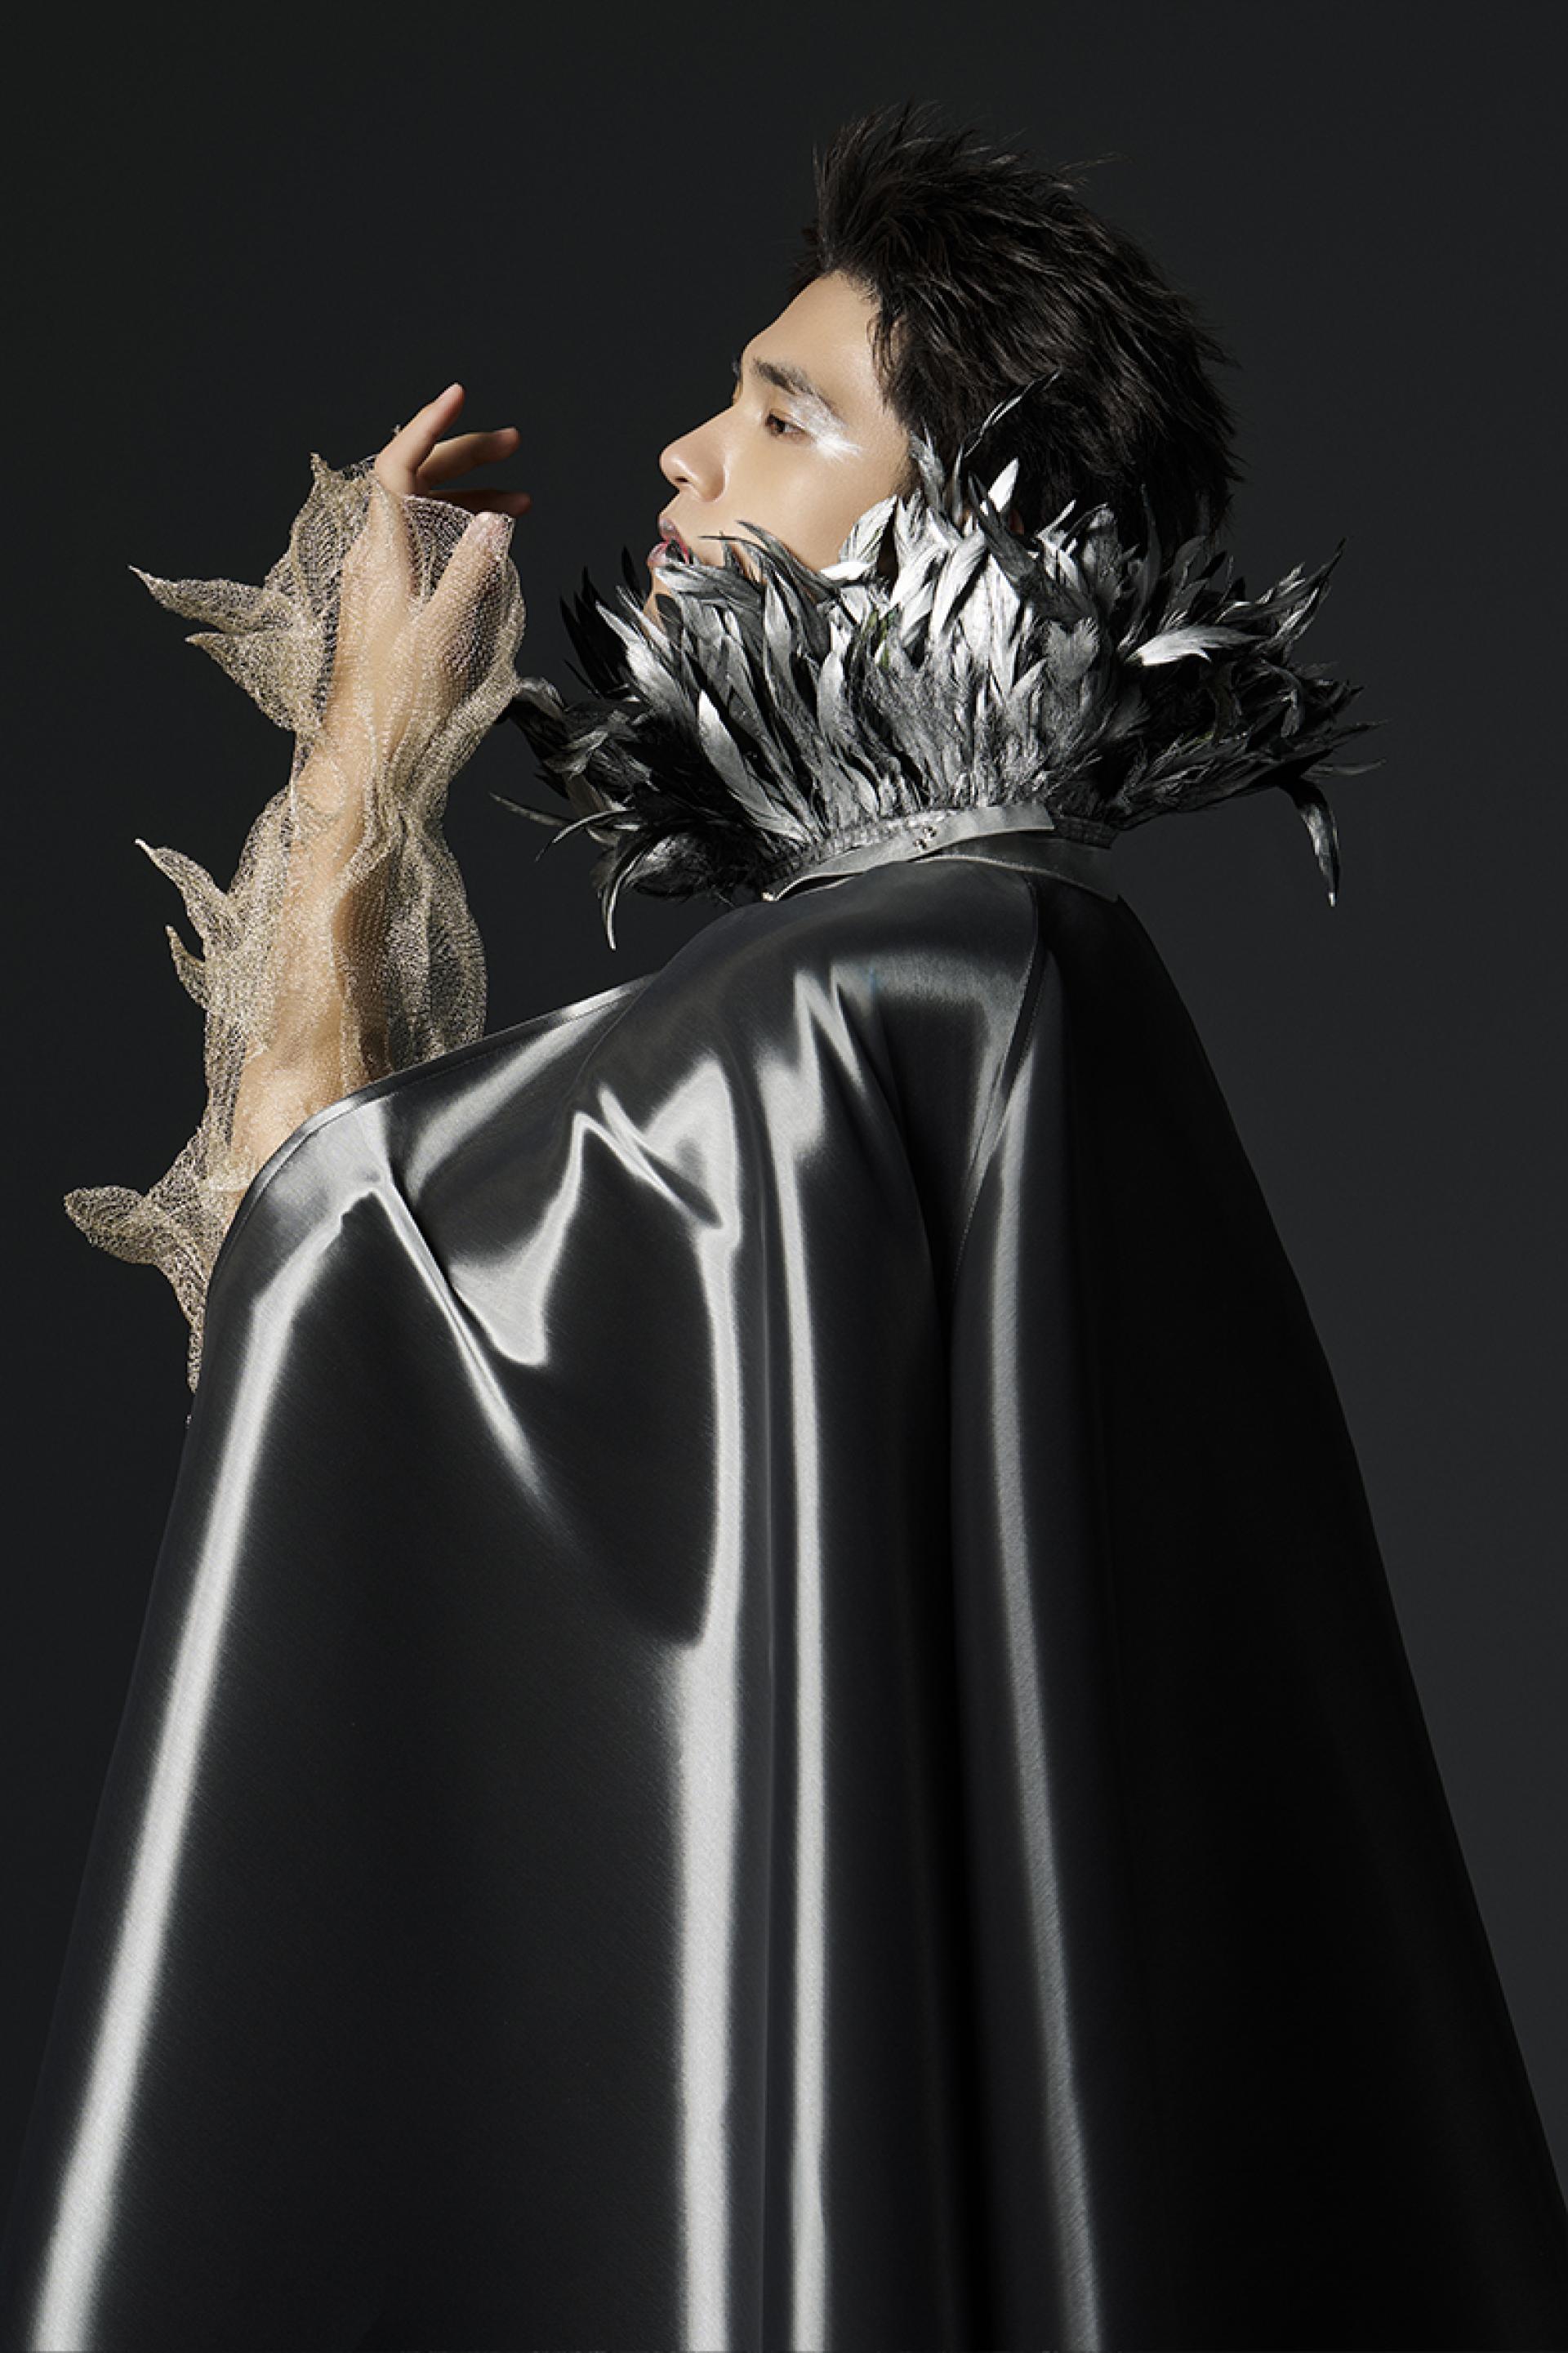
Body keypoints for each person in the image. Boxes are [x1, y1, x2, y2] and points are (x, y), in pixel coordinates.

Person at [2, 99, 1566, 2353]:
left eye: (783, 414)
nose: (687, 454)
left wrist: (361, 756)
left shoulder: (850, 1009)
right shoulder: (1021, 985)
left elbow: (298, 1280)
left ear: (973, 534)